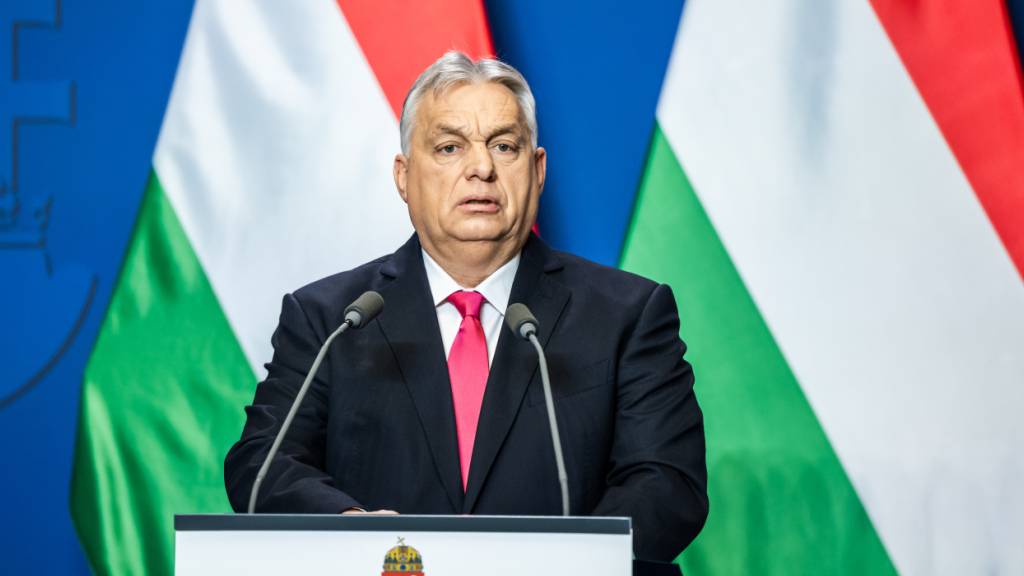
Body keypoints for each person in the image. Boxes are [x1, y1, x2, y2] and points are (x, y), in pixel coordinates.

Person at [224, 51, 708, 561]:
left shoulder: (628, 314)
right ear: (404, 176)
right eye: (450, 147)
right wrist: (351, 533)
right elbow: (263, 463)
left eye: (504, 145)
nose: (481, 168)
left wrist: (561, 562)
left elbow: (667, 484)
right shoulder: (330, 318)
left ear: (537, 170)